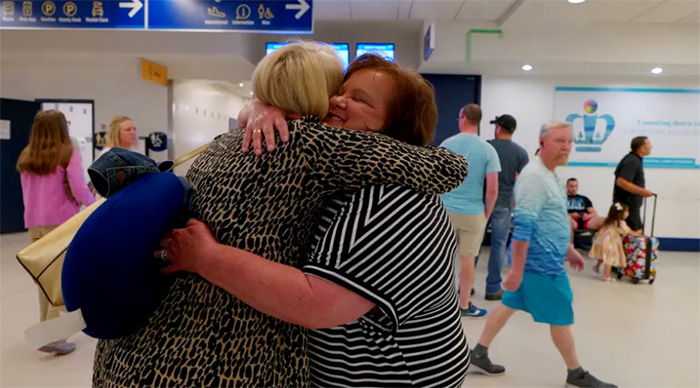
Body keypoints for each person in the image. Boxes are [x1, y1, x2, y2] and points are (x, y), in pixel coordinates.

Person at [92, 43, 468, 388]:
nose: (337, 102)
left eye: (359, 99)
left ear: (394, 129)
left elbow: (318, 303)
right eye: (338, 90)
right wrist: (267, 107)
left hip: (397, 378)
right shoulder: (309, 152)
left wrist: (206, 256)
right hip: (215, 357)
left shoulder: (392, 200)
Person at [469, 121, 617, 388]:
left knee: (508, 305)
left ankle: (478, 353)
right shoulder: (535, 178)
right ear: (542, 142)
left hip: (543, 259)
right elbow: (524, 225)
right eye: (560, 141)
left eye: (570, 141)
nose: (566, 147)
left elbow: (554, 218)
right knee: (560, 315)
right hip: (540, 265)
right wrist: (515, 271)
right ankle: (575, 373)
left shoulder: (550, 174)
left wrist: (569, 249)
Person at [16, 109, 95, 356]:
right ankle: (53, 336)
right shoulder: (67, 152)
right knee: (62, 281)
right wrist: (95, 206)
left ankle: (45, 330)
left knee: (44, 280)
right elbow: (80, 189)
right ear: (62, 127)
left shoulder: (27, 154)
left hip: (34, 224)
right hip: (61, 225)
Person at [440, 104, 501, 318]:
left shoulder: (447, 144)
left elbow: (436, 179)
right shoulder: (488, 149)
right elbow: (493, 188)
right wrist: (486, 214)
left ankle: (438, 305)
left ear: (464, 118)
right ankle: (463, 305)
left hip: (444, 211)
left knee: (441, 258)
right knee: (468, 259)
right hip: (473, 213)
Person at [479, 114, 528, 301]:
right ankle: (492, 289)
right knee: (498, 245)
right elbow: (523, 182)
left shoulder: (486, 147)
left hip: (482, 202)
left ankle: (464, 288)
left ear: (498, 128)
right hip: (505, 203)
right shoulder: (520, 153)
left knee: (475, 244)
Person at [589, 203, 641, 281]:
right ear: (621, 213)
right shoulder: (621, 223)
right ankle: (606, 276)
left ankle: (597, 266)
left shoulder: (609, 220)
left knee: (604, 255)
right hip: (610, 242)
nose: (628, 213)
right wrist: (637, 234)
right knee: (609, 258)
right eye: (627, 211)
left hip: (602, 240)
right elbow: (627, 231)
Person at [613, 136, 654, 232]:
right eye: (649, 144)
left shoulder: (633, 160)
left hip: (631, 206)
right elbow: (621, 181)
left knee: (637, 231)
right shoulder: (632, 162)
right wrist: (642, 191)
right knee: (634, 233)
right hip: (627, 206)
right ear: (642, 148)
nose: (651, 146)